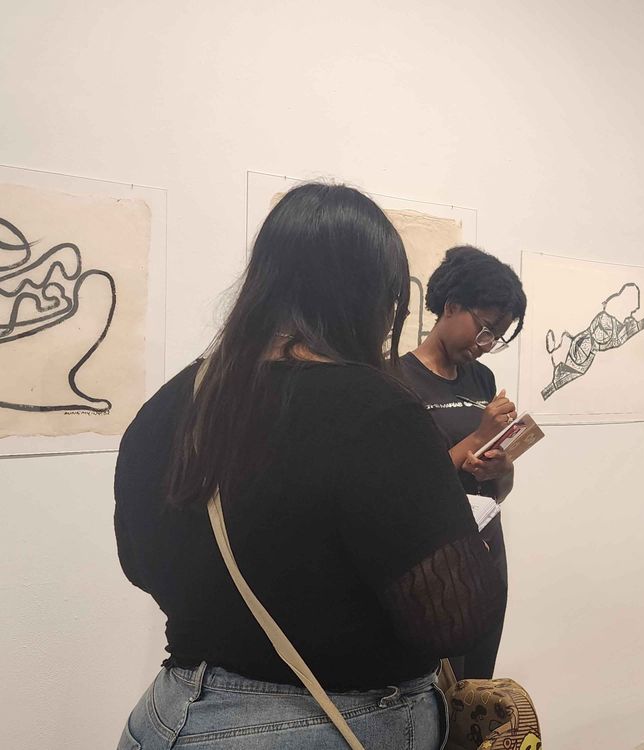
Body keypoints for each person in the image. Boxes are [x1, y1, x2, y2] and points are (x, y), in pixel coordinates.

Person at [114, 183, 505, 750]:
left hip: (166, 717)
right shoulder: (378, 409)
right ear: (374, 297)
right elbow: (452, 621)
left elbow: (139, 565)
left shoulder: (171, 402)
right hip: (327, 722)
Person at [398, 245, 526, 680]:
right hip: (431, 561)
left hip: (485, 548)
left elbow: (499, 490)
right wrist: (477, 436)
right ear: (451, 306)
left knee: (477, 686)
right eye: (485, 329)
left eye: (498, 336)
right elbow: (405, 484)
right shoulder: (395, 381)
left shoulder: (481, 379)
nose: (487, 345)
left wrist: (501, 467)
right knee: (432, 686)